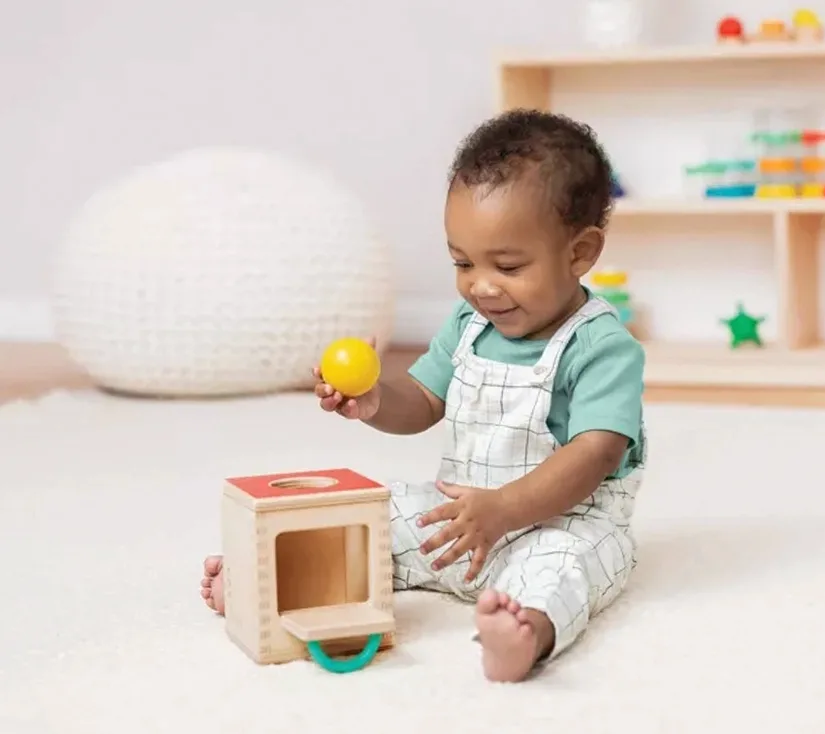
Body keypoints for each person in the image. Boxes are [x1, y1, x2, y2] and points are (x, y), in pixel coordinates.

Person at [199, 109, 647, 682]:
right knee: (371, 514)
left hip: (561, 523)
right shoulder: (470, 323)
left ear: (580, 253)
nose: (481, 286)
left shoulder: (603, 348)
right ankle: (274, 584)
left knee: (565, 570)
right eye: (463, 262)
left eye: (508, 266)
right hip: (461, 519)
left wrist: (505, 509)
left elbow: (595, 455)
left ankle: (524, 633)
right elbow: (424, 399)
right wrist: (376, 401)